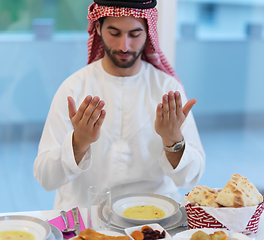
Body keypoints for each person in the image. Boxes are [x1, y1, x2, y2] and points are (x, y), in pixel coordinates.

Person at [33, 0, 205, 210]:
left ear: (148, 31)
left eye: (134, 34)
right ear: (98, 27)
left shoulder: (167, 88)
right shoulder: (74, 88)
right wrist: (78, 144)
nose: (124, 45)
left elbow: (190, 179)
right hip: (87, 220)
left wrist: (173, 141)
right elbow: (45, 178)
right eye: (114, 33)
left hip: (155, 219)